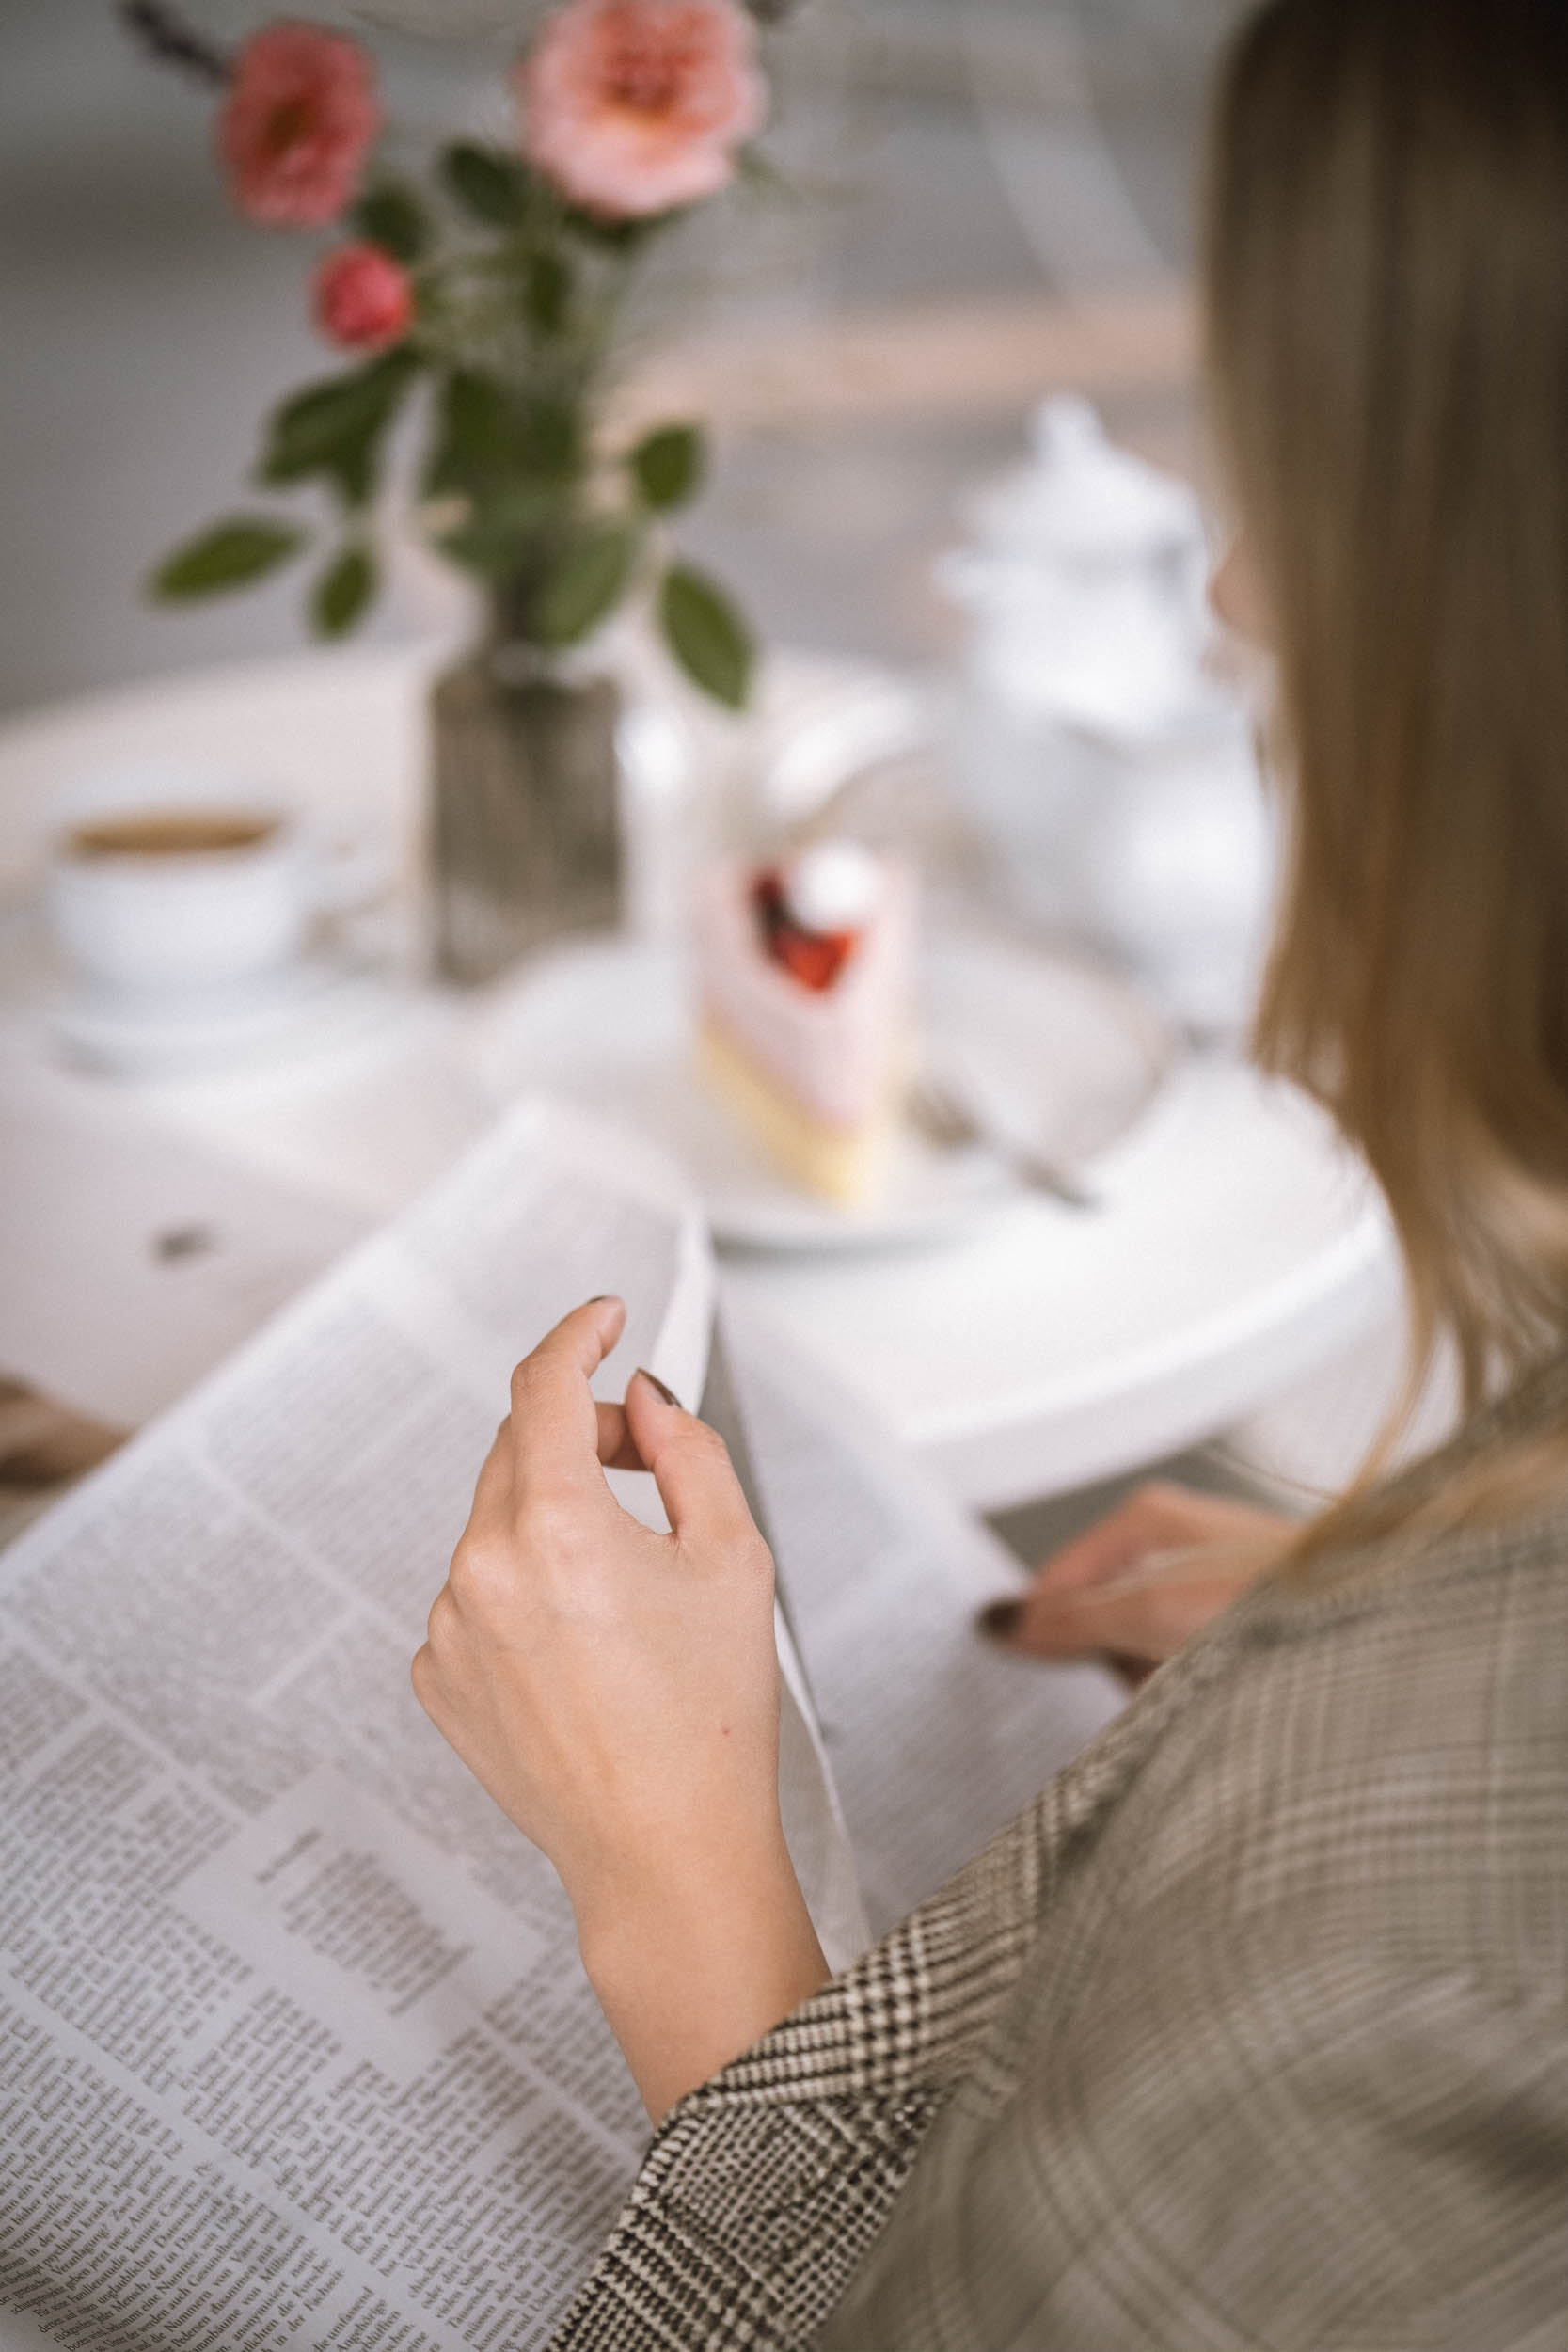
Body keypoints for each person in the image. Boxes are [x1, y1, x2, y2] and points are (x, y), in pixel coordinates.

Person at [412, 0, 1568, 2341]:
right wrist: (1335, 1612)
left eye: (1313, 488)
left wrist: (670, 1877)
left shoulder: (1397, 1948)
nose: (1241, 601)